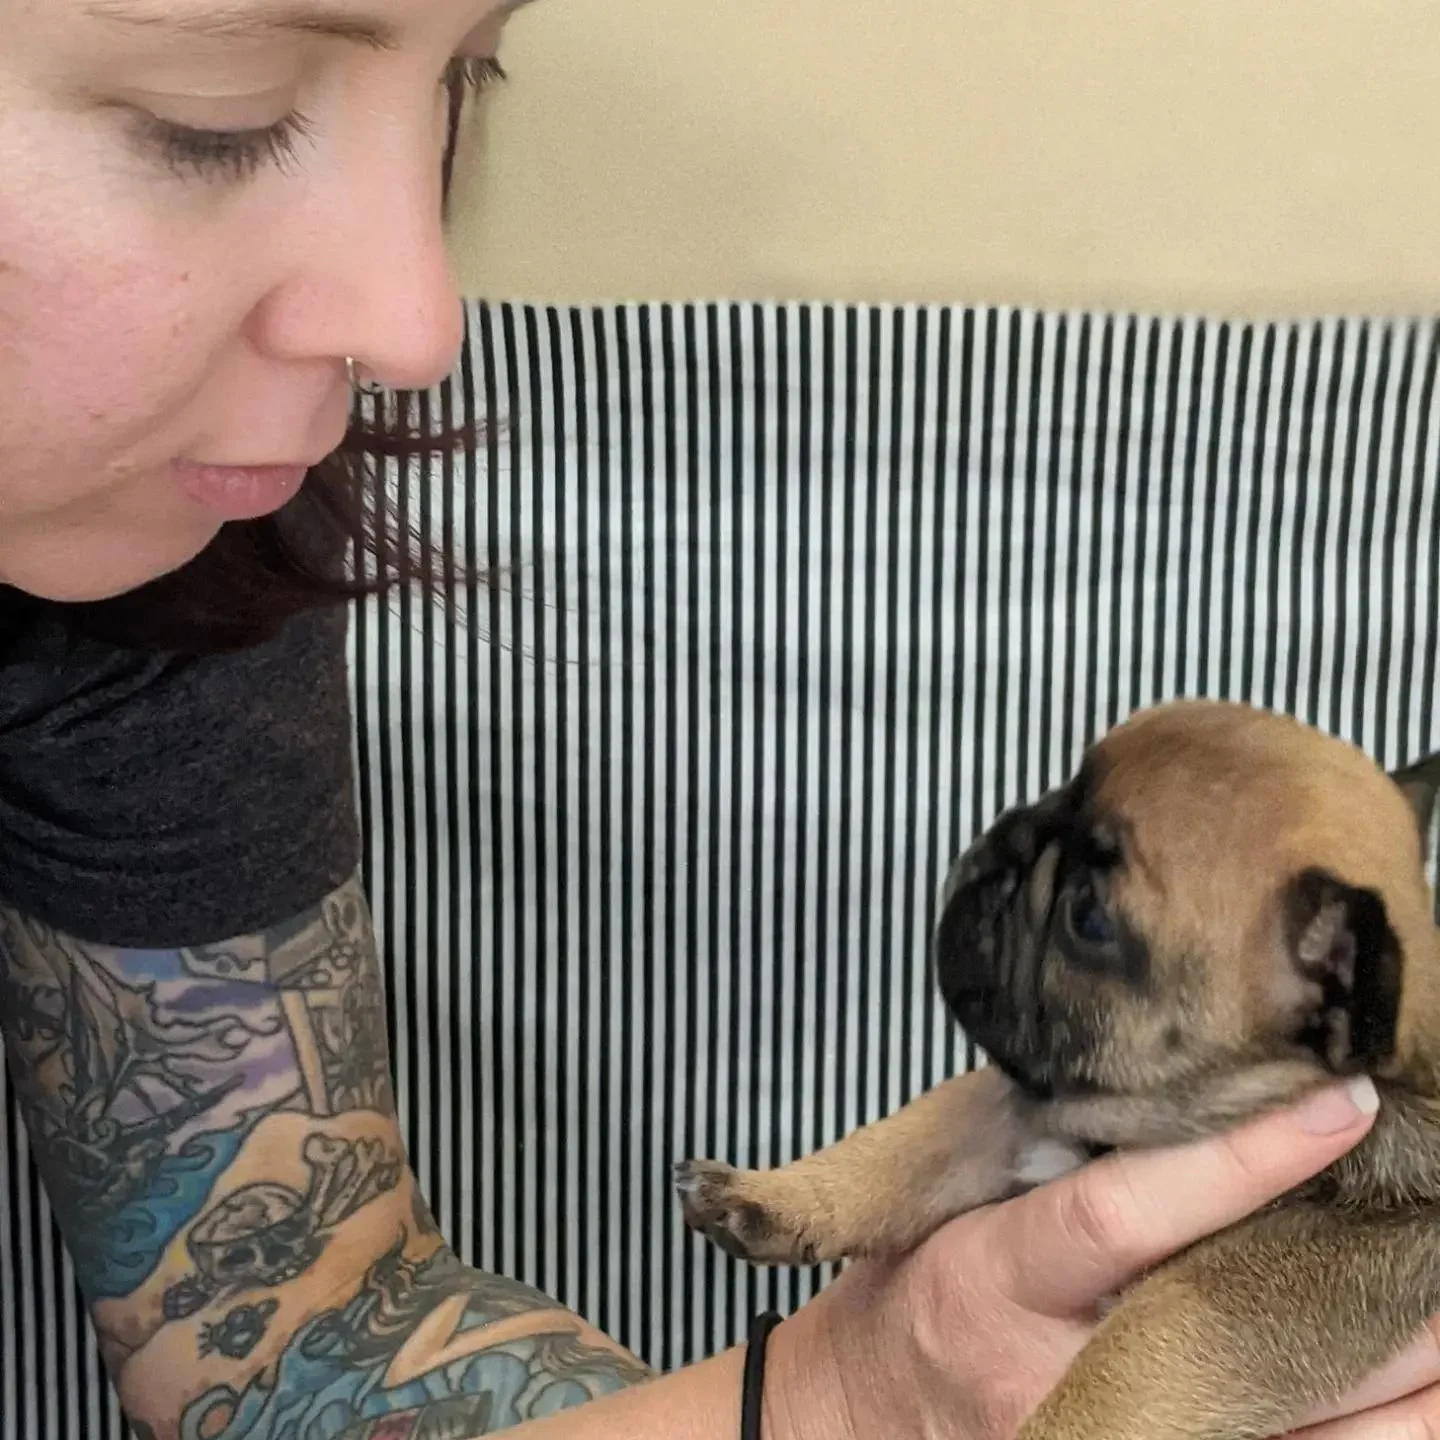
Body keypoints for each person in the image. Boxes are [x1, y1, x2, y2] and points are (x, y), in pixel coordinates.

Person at [0, 1, 1436, 1436]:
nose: (420, 321)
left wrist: (847, 1394)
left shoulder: (175, 572)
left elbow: (289, 1330)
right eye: (218, 113)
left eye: (463, 87)